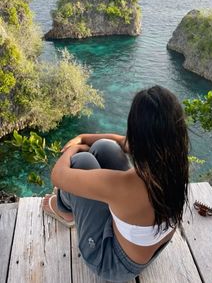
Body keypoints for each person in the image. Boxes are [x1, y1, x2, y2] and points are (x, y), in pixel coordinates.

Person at [42, 85, 189, 281]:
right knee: (106, 147)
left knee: (81, 162)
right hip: (147, 252)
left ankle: (63, 208)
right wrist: (83, 138)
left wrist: (73, 149)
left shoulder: (125, 185)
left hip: (112, 264)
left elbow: (58, 176)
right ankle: (69, 207)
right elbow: (120, 141)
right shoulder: (176, 164)